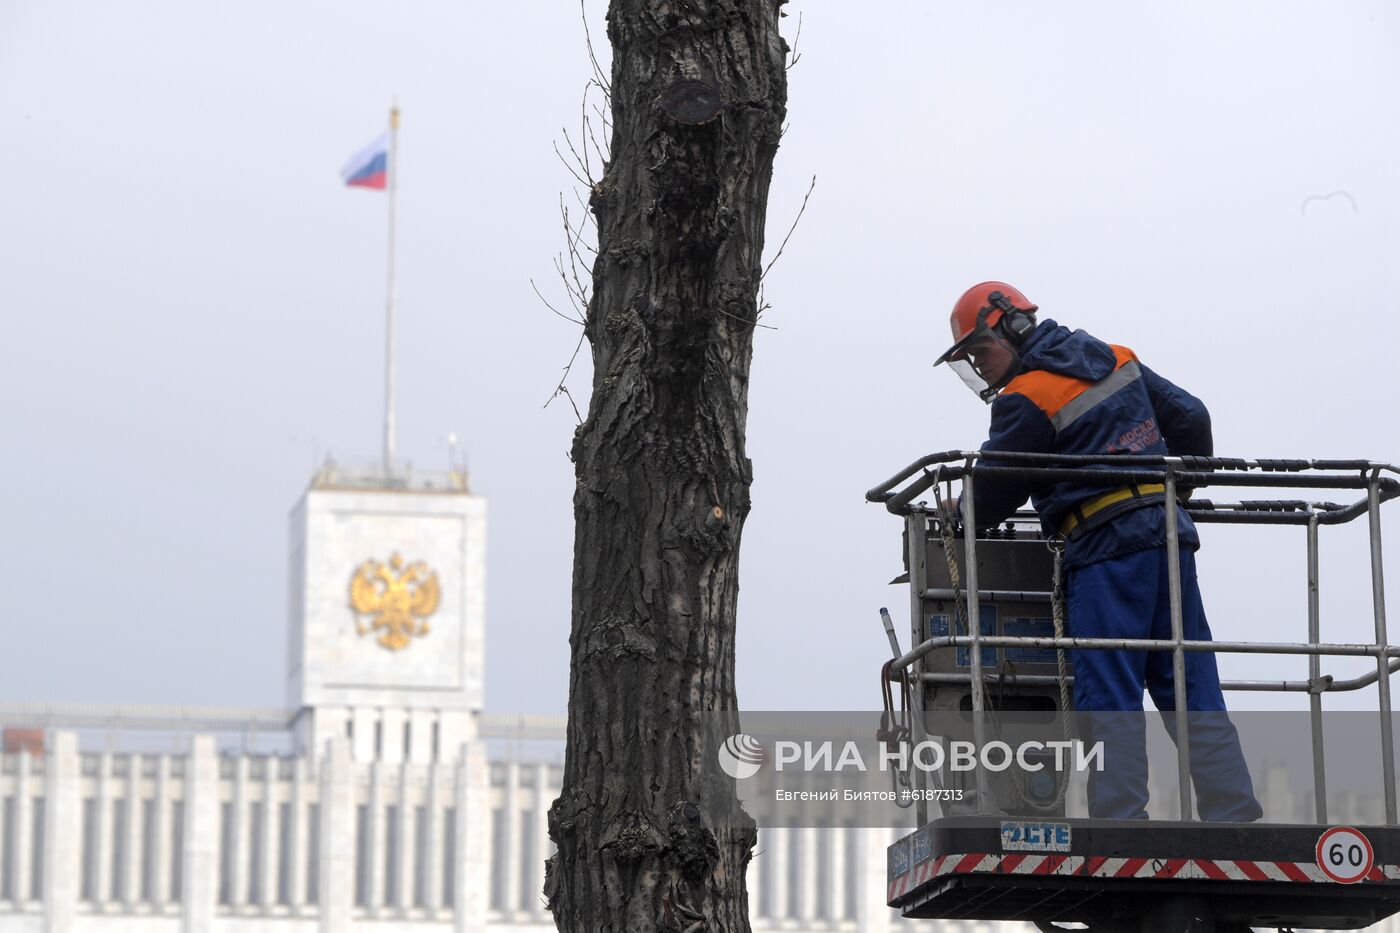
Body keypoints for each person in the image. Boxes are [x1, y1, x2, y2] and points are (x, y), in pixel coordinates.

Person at [934, 281, 1262, 822]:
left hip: (1106, 548)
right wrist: (1178, 489)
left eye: (980, 351)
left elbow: (996, 486)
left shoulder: (1027, 396)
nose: (980, 366)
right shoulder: (1116, 358)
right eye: (968, 358)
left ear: (1013, 328)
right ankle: (1234, 813)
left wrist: (960, 515)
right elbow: (1192, 417)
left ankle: (1120, 821)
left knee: (1109, 691)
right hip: (1168, 535)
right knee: (1190, 683)